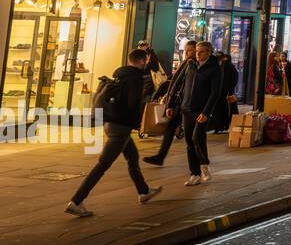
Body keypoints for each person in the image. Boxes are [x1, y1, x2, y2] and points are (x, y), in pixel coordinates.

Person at [65, 48, 163, 216]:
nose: (146, 63)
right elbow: (133, 103)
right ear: (142, 61)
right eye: (146, 61)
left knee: (132, 157)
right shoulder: (136, 78)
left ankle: (144, 191)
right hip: (121, 126)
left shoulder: (119, 74)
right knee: (103, 164)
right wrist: (137, 123)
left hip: (110, 123)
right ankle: (76, 201)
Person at [169, 40, 224, 186]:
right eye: (197, 51)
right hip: (186, 109)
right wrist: (171, 104)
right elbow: (177, 84)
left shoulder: (215, 69)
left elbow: (215, 93)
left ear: (208, 52)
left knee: (197, 137)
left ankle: (204, 165)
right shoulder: (190, 65)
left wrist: (206, 112)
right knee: (189, 141)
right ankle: (194, 174)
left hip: (201, 110)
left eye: (201, 52)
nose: (197, 55)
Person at [144, 41, 195, 165]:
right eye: (185, 50)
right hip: (179, 103)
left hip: (189, 104)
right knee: (170, 129)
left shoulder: (193, 64)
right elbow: (175, 83)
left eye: (189, 50)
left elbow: (179, 83)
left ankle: (200, 161)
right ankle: (160, 156)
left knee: (192, 136)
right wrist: (170, 101)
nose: (186, 53)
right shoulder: (185, 63)